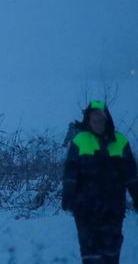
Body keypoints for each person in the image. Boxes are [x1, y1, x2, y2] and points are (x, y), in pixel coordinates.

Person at [62, 101, 138, 264]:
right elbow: (70, 172)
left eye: (101, 120)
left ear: (107, 120)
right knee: (91, 257)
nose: (98, 123)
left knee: (111, 255)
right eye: (94, 120)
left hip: (113, 211)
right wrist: (68, 194)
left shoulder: (121, 142)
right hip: (85, 211)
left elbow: (132, 176)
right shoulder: (80, 141)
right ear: (88, 121)